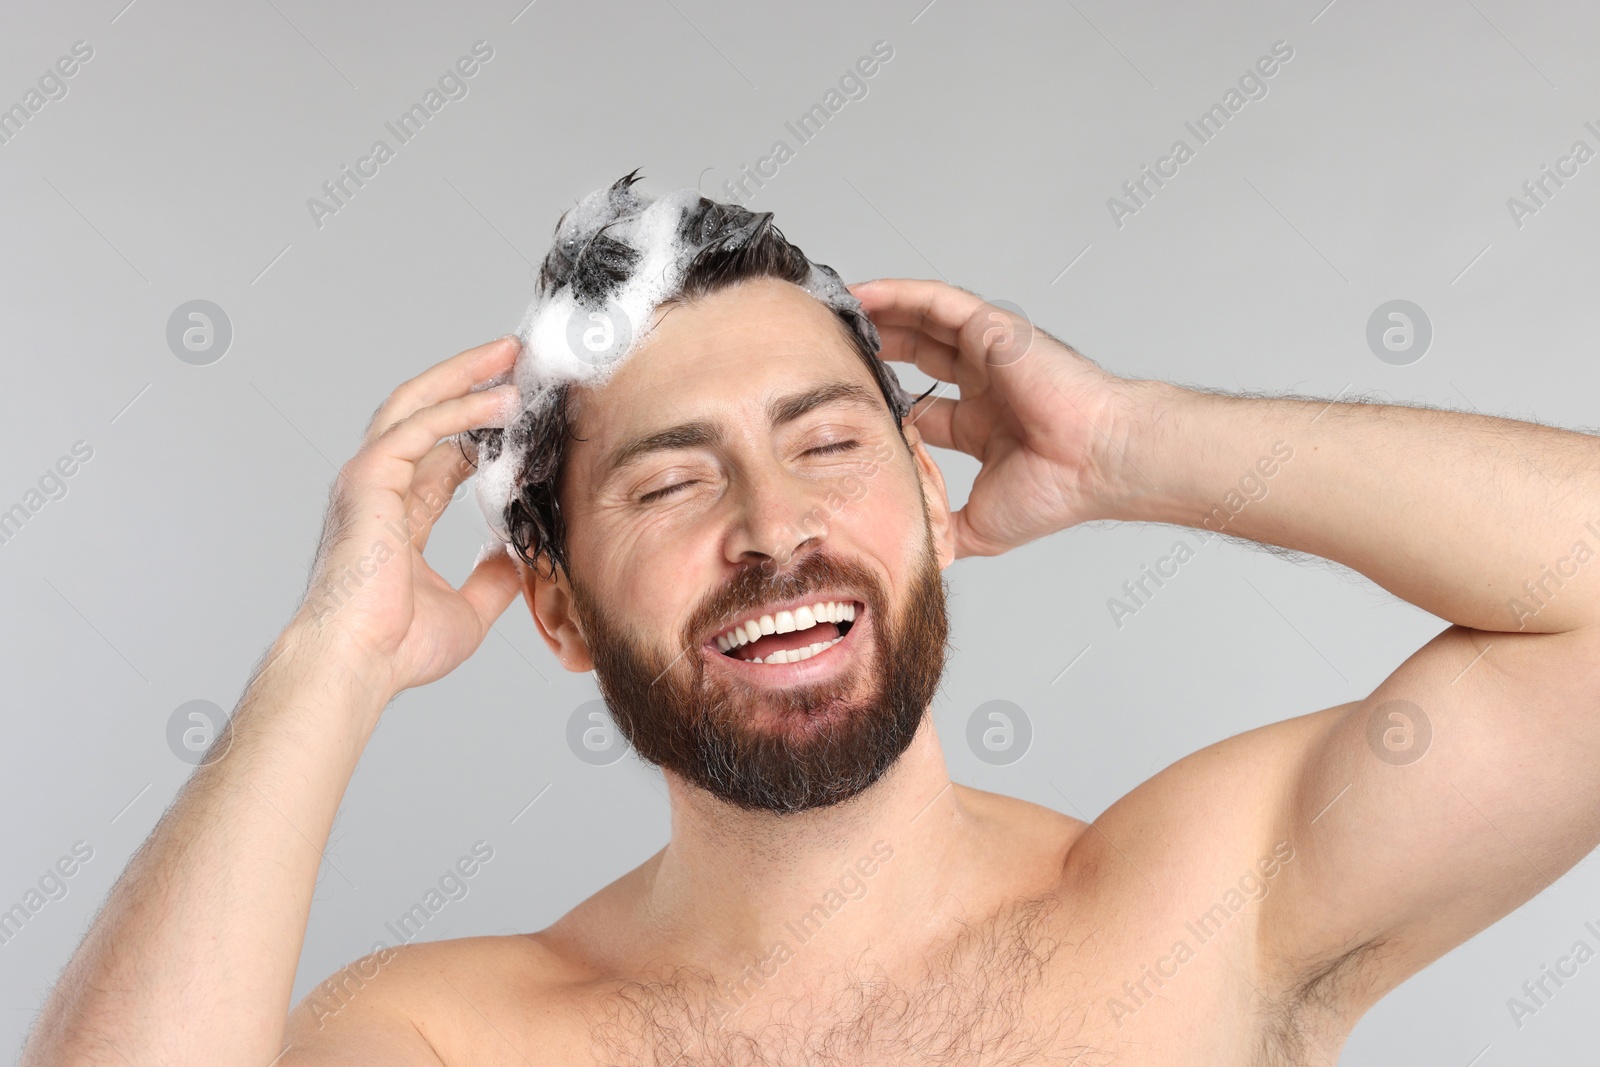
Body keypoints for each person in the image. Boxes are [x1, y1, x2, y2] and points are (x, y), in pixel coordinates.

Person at [22, 173, 1600, 1066]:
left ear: (927, 505)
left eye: (829, 445)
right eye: (667, 485)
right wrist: (329, 662)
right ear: (558, 615)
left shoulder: (1207, 904)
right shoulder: (446, 1037)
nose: (774, 532)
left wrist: (1132, 443)